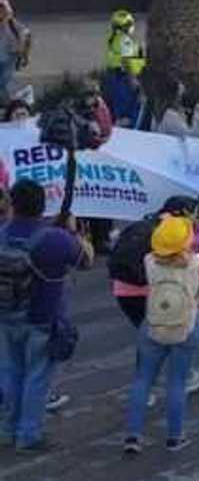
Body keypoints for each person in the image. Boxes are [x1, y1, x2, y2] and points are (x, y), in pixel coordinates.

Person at [0, 180, 91, 452]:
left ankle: (7, 429)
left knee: (11, 373)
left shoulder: (2, 233)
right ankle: (29, 435)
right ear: (42, 206)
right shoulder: (54, 238)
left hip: (5, 315)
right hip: (41, 317)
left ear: (12, 205)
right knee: (37, 377)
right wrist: (75, 233)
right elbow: (85, 260)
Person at [122, 212, 199, 454]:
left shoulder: (149, 261)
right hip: (187, 326)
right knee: (177, 382)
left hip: (154, 325)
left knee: (143, 380)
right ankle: (174, 438)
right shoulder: (195, 263)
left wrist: (164, 225)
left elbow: (160, 246)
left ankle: (133, 436)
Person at [0, 0, 30, 103]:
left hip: (9, 60)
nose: (1, 12)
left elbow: (25, 37)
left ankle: (7, 105)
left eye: (3, 10)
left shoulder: (13, 25)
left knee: (4, 83)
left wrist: (24, 55)